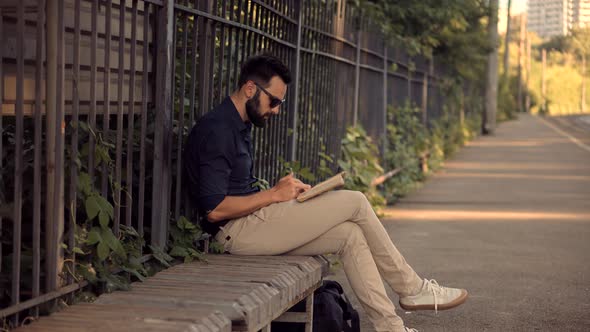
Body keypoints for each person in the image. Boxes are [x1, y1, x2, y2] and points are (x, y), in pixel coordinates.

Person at [184, 54, 468, 332]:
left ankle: (391, 327)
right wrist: (273, 195)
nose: (277, 110)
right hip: (236, 233)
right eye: (274, 101)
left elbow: (237, 190)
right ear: (249, 88)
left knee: (350, 235)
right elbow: (215, 209)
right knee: (356, 201)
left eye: (280, 103)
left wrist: (285, 194)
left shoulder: (239, 124)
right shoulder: (217, 130)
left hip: (255, 222)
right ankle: (412, 288)